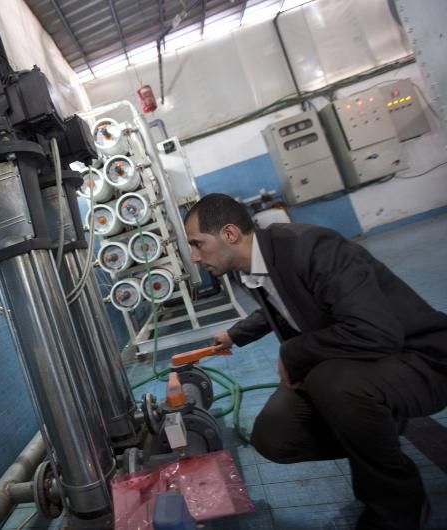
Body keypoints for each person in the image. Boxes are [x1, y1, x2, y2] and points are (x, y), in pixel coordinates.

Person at [183, 193, 447, 530]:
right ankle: (374, 431)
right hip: (358, 361)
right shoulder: (250, 264)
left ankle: (400, 506)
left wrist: (293, 353)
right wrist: (236, 335)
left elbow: (376, 331)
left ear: (230, 234)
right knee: (275, 435)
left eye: (197, 244)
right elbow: (284, 300)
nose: (193, 256)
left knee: (329, 382)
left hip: (418, 358)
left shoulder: (310, 247)